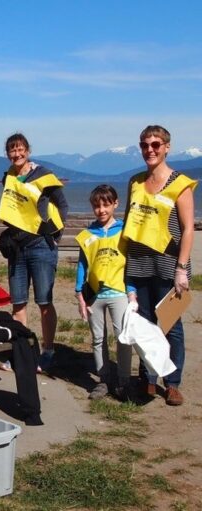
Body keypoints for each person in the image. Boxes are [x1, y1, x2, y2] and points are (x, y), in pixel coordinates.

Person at [123, 125, 196, 406]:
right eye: (144, 145)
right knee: (144, 326)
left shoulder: (181, 183)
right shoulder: (135, 182)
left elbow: (188, 229)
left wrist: (181, 268)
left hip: (169, 265)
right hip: (139, 263)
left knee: (170, 325)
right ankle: (148, 379)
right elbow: (129, 223)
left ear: (167, 147)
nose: (149, 150)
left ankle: (173, 382)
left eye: (155, 145)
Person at [0, 133, 68, 372]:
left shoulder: (43, 175)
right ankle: (21, 350)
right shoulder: (8, 176)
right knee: (18, 302)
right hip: (17, 245)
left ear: (28, 151)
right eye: (11, 150)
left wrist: (56, 234)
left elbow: (62, 204)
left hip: (41, 245)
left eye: (20, 150)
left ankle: (48, 350)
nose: (16, 154)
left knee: (44, 301)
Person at [75, 185, 133, 400]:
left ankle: (124, 381)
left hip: (119, 293)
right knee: (98, 338)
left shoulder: (125, 231)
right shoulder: (87, 235)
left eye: (106, 205)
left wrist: (132, 291)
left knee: (123, 337)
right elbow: (82, 265)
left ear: (115, 204)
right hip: (94, 295)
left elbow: (132, 263)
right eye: (97, 206)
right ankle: (104, 380)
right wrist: (79, 293)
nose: (101, 210)